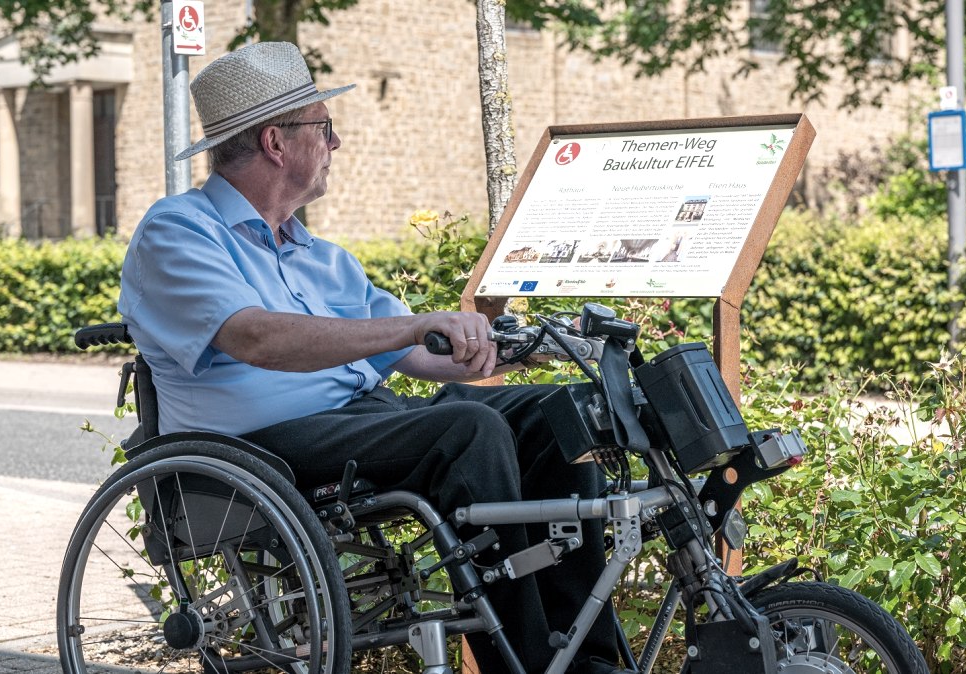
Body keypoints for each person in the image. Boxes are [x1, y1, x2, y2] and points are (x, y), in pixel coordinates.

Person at [116, 41, 620, 674]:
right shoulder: (178, 231)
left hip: (360, 420)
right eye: (324, 129)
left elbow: (419, 355)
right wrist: (407, 329)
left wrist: (514, 348)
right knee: (469, 430)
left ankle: (587, 661)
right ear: (277, 142)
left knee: (557, 414)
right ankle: (518, 662)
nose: (337, 143)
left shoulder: (322, 258)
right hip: (258, 449)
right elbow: (254, 337)